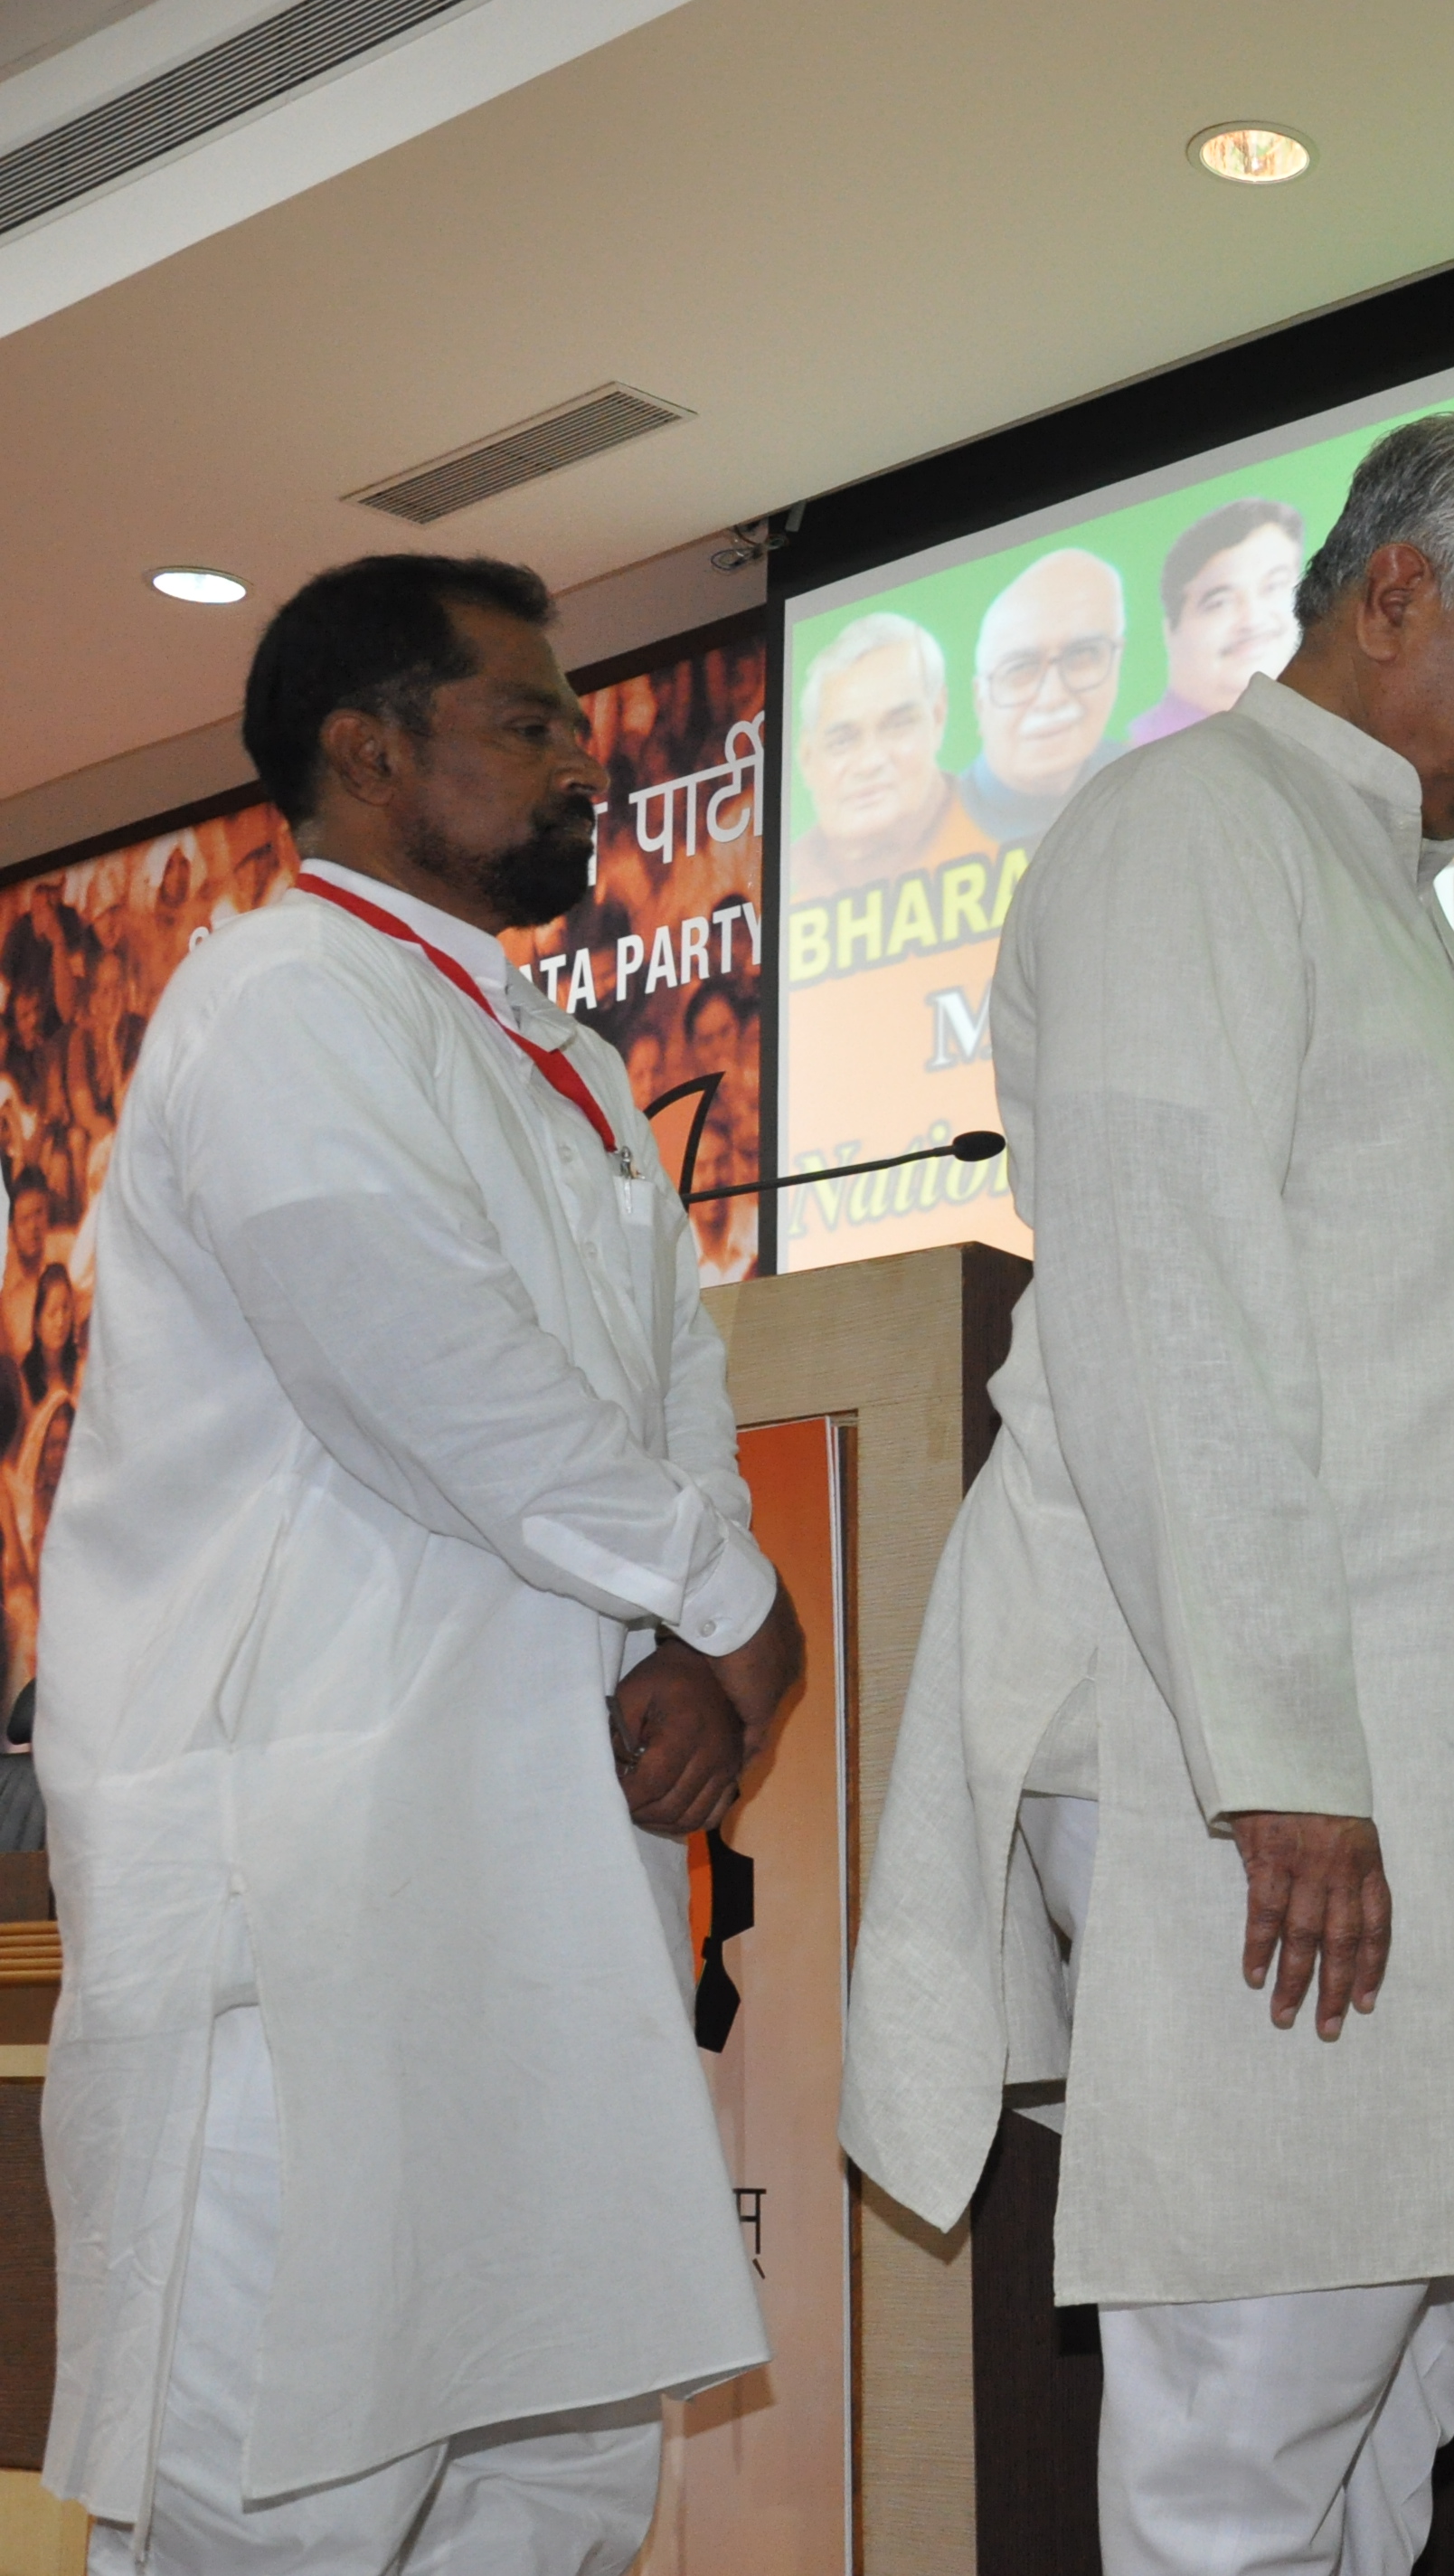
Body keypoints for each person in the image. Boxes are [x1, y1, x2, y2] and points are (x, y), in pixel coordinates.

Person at [838, 416, 1454, 2576]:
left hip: (1388, 1768)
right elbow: (1170, 1318)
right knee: (1249, 2401)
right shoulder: (1193, 830)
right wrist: (1283, 1763)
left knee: (1380, 2389)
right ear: (1394, 595)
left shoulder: (1357, 876)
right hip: (1262, 1769)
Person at [36, 553, 803, 2570]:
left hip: (544, 1869)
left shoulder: (567, 1063)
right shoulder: (278, 995)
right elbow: (421, 1364)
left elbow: (669, 1395)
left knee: (550, 2481)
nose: (584, 758)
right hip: (317, 1883)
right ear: (367, 751)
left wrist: (709, 1620)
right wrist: (726, 1609)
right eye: (531, 718)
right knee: (278, 2491)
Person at [788, 611, 997, 901]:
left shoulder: (1001, 843)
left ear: (937, 718)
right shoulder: (782, 891)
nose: (869, 763)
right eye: (842, 741)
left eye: (897, 726)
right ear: (807, 757)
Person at [956, 548, 1130, 848]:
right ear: (980, 702)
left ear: (1116, 662)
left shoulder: (1145, 780)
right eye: (1020, 670)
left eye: (1083, 656)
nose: (1053, 697)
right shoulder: (938, 824)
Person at [1132, 497, 1307, 743]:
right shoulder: (1148, 761)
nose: (1253, 619)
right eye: (1220, 602)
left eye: (1274, 586)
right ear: (1171, 634)